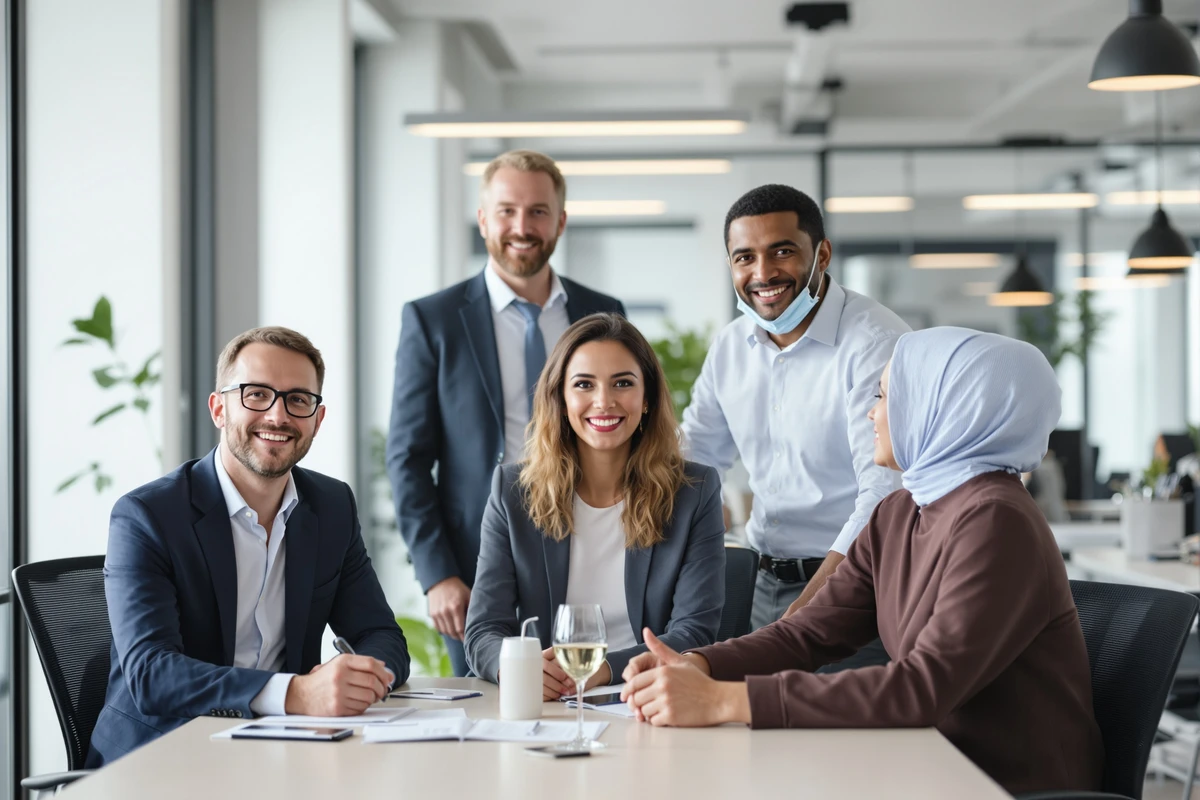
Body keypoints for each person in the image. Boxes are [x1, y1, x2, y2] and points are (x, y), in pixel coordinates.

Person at [621, 327, 1104, 796]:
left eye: (885, 396)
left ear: (942, 409)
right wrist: (696, 664)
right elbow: (809, 633)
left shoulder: (998, 521)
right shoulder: (903, 509)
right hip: (923, 763)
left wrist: (725, 700)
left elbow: (922, 688)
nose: (872, 414)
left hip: (1000, 782)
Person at [89, 327, 409, 766]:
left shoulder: (332, 506)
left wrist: (358, 678)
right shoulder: (147, 516)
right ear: (219, 409)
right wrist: (295, 693)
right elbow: (151, 675)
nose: (278, 416)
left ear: (317, 418)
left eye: (298, 400)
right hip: (162, 756)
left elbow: (380, 634)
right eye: (257, 394)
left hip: (282, 751)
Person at [387, 150, 624, 676]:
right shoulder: (434, 320)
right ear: (483, 219)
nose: (522, 226)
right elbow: (406, 458)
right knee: (489, 703)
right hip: (475, 569)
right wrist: (437, 574)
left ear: (560, 221)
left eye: (539, 211)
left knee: (586, 691)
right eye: (507, 211)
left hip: (587, 548)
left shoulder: (602, 313)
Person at [681, 183, 909, 655]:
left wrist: (809, 609)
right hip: (760, 582)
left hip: (857, 586)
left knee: (836, 726)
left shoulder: (875, 342)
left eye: (781, 252)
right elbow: (693, 460)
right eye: (744, 257)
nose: (762, 273)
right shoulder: (730, 347)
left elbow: (885, 494)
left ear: (822, 254)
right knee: (757, 726)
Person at [465, 313, 725, 696]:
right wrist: (518, 667)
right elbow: (483, 631)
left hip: (646, 696)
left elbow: (693, 632)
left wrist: (601, 670)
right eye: (584, 384)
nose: (603, 402)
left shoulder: (694, 491)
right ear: (561, 397)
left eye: (622, 383)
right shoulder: (512, 491)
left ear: (647, 397)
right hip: (545, 703)